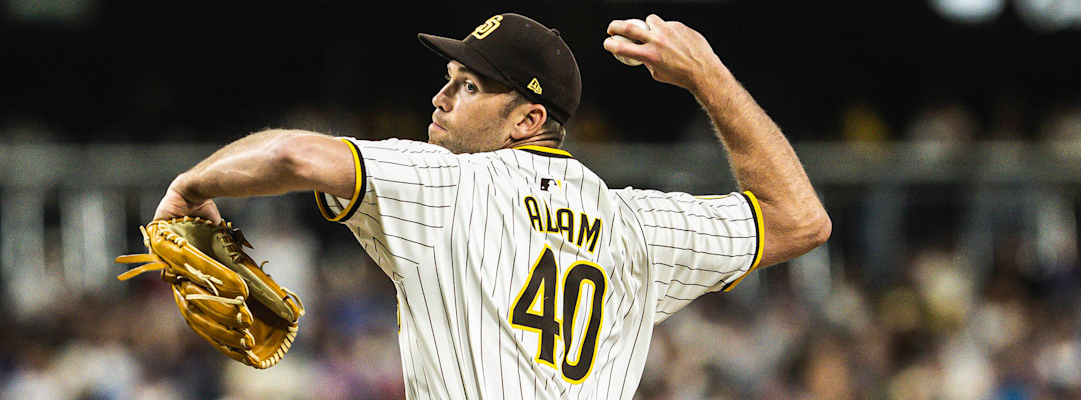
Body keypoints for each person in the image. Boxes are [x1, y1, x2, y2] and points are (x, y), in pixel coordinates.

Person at [151, 12, 831, 399]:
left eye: (470, 86)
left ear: (527, 120)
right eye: (448, 79)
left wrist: (190, 187)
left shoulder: (448, 183)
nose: (441, 98)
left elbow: (295, 154)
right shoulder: (636, 227)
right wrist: (709, 76)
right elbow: (800, 219)